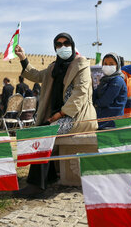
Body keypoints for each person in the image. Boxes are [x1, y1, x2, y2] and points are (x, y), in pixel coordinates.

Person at [14, 32, 98, 197]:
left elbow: (80, 94)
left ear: (72, 45)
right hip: (58, 116)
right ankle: (48, 177)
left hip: (77, 116)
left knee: (44, 134)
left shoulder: (81, 64)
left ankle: (36, 185)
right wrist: (23, 58)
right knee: (41, 131)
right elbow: (36, 75)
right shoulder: (54, 67)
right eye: (58, 45)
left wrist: (60, 114)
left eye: (66, 43)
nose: (62, 47)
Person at [93, 53, 127, 129]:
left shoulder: (118, 81)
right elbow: (95, 93)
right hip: (102, 121)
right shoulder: (104, 80)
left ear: (117, 65)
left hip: (112, 123)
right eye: (105, 64)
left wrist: (95, 104)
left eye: (111, 64)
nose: (108, 66)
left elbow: (106, 100)